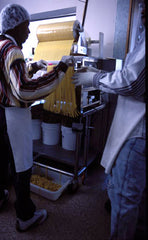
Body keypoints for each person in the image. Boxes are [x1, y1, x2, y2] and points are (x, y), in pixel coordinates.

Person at [0, 3, 73, 232]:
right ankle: (26, 216)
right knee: (21, 165)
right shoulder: (13, 50)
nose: (28, 32)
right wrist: (60, 70)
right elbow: (23, 90)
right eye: (26, 27)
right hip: (13, 117)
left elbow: (7, 78)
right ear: (14, 26)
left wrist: (32, 67)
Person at [72, 3, 146, 240]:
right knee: (129, 194)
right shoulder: (141, 37)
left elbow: (132, 83)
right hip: (134, 127)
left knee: (125, 198)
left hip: (137, 131)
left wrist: (94, 79)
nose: (142, 9)